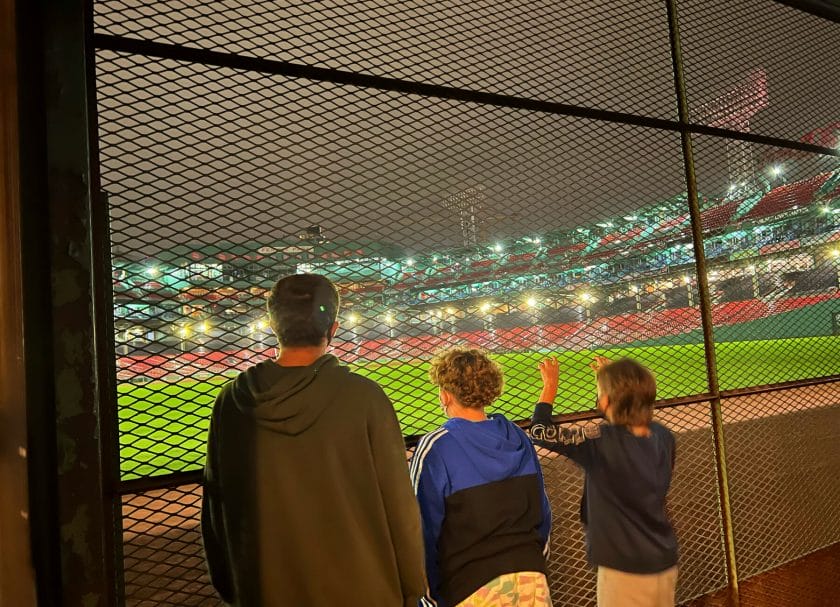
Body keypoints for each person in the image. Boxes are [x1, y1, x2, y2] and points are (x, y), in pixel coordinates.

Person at [201, 274, 425, 606]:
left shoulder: (231, 402)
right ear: (333, 328)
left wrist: (233, 586)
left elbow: (215, 511)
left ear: (273, 325)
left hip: (265, 591)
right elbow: (400, 507)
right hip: (365, 590)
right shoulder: (365, 398)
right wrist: (413, 588)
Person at [530, 356, 678, 607]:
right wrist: (619, 387)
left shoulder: (600, 441)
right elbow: (630, 431)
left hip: (625, 567)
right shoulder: (663, 436)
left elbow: (540, 432)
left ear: (606, 401)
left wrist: (549, 388)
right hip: (664, 559)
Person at [409, 347, 552, 607]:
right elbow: (542, 513)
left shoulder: (436, 446)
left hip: (469, 588)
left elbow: (421, 531)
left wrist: (428, 599)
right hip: (532, 579)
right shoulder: (516, 435)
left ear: (444, 395)